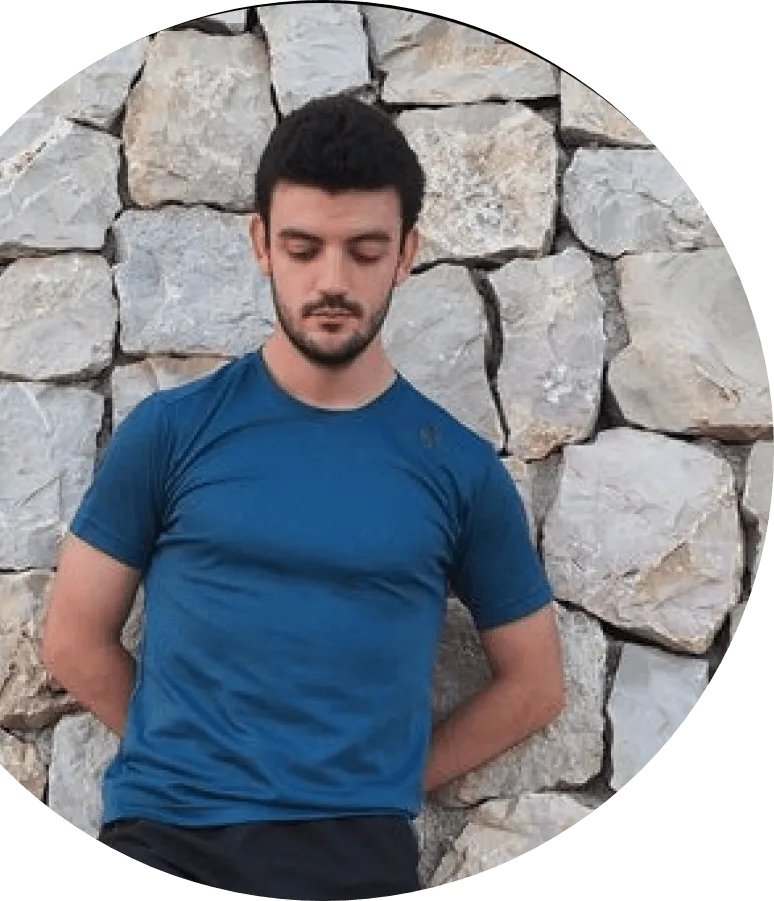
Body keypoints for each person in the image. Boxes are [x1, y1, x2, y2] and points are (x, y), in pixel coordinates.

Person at [42, 93, 565, 900]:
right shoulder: (170, 433)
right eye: (303, 247)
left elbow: (534, 684)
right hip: (165, 840)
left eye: (364, 250)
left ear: (406, 253)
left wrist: (388, 777)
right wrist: (185, 758)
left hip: (356, 860)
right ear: (261, 244)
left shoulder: (459, 470)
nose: (332, 281)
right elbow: (73, 638)